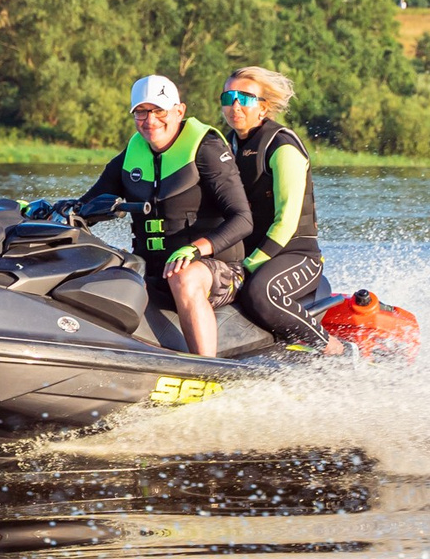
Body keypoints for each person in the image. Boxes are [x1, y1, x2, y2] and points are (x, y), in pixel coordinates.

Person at [76, 75, 251, 357]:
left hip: (220, 272)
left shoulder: (206, 150)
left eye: (159, 111)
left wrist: (196, 249)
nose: (150, 120)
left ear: (179, 111)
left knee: (184, 276)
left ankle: (205, 369)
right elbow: (86, 207)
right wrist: (47, 211)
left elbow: (243, 218)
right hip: (154, 271)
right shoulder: (129, 158)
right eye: (141, 112)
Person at [220, 66, 337, 352]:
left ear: (264, 106)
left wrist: (248, 267)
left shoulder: (282, 146)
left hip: (296, 254)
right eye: (229, 97)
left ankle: (331, 347)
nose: (235, 105)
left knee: (260, 292)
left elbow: (286, 222)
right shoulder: (227, 143)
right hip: (249, 251)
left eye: (245, 98)